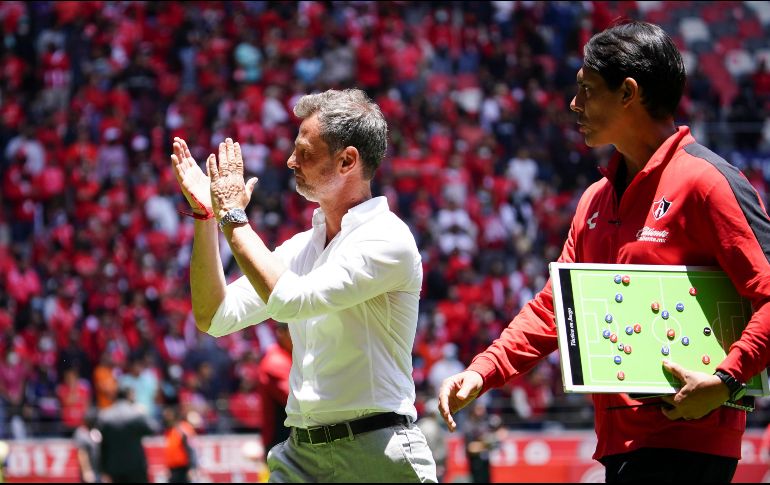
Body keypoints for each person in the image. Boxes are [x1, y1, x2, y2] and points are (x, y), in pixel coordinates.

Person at [438, 21, 770, 483]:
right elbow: (557, 306)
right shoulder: (595, 199)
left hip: (688, 445)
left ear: (628, 92)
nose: (574, 104)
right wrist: (484, 370)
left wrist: (726, 380)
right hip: (620, 446)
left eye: (587, 90)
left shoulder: (708, 183)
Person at [170, 88, 437, 483]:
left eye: (304, 151)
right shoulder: (302, 247)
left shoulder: (387, 238)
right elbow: (215, 316)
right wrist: (207, 216)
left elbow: (291, 300)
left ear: (347, 161)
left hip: (377, 454)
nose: (291, 160)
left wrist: (233, 215)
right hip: (300, 454)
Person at [96, 386, 158, 483]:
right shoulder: (136, 413)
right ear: (129, 396)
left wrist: (103, 469)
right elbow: (153, 429)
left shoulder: (105, 416)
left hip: (114, 467)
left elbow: (101, 444)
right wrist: (143, 413)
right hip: (136, 466)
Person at [257, 322, 292, 452]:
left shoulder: (290, 356)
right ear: (281, 333)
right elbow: (296, 400)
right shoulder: (275, 361)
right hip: (281, 444)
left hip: (291, 440)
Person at [163, 406, 198, 483]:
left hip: (183, 468)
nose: (166, 418)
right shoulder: (170, 430)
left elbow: (191, 449)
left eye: (169, 415)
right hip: (173, 469)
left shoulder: (183, 429)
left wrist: (192, 468)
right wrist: (168, 468)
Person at [73, 408, 101, 483]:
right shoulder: (81, 432)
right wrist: (86, 471)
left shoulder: (96, 432)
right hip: (90, 472)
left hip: (99, 471)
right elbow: (82, 453)